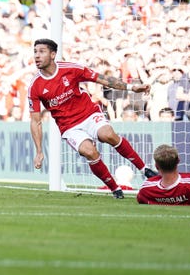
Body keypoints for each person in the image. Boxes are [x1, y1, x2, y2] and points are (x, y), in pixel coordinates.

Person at [28, 38, 157, 199]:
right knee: (89, 152)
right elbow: (35, 121)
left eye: (41, 51)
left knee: (107, 134)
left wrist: (131, 87)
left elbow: (102, 79)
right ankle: (115, 189)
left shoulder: (71, 69)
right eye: (35, 52)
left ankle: (145, 169)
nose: (37, 56)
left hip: (89, 114)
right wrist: (39, 151)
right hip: (69, 127)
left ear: (53, 54)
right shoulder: (35, 86)